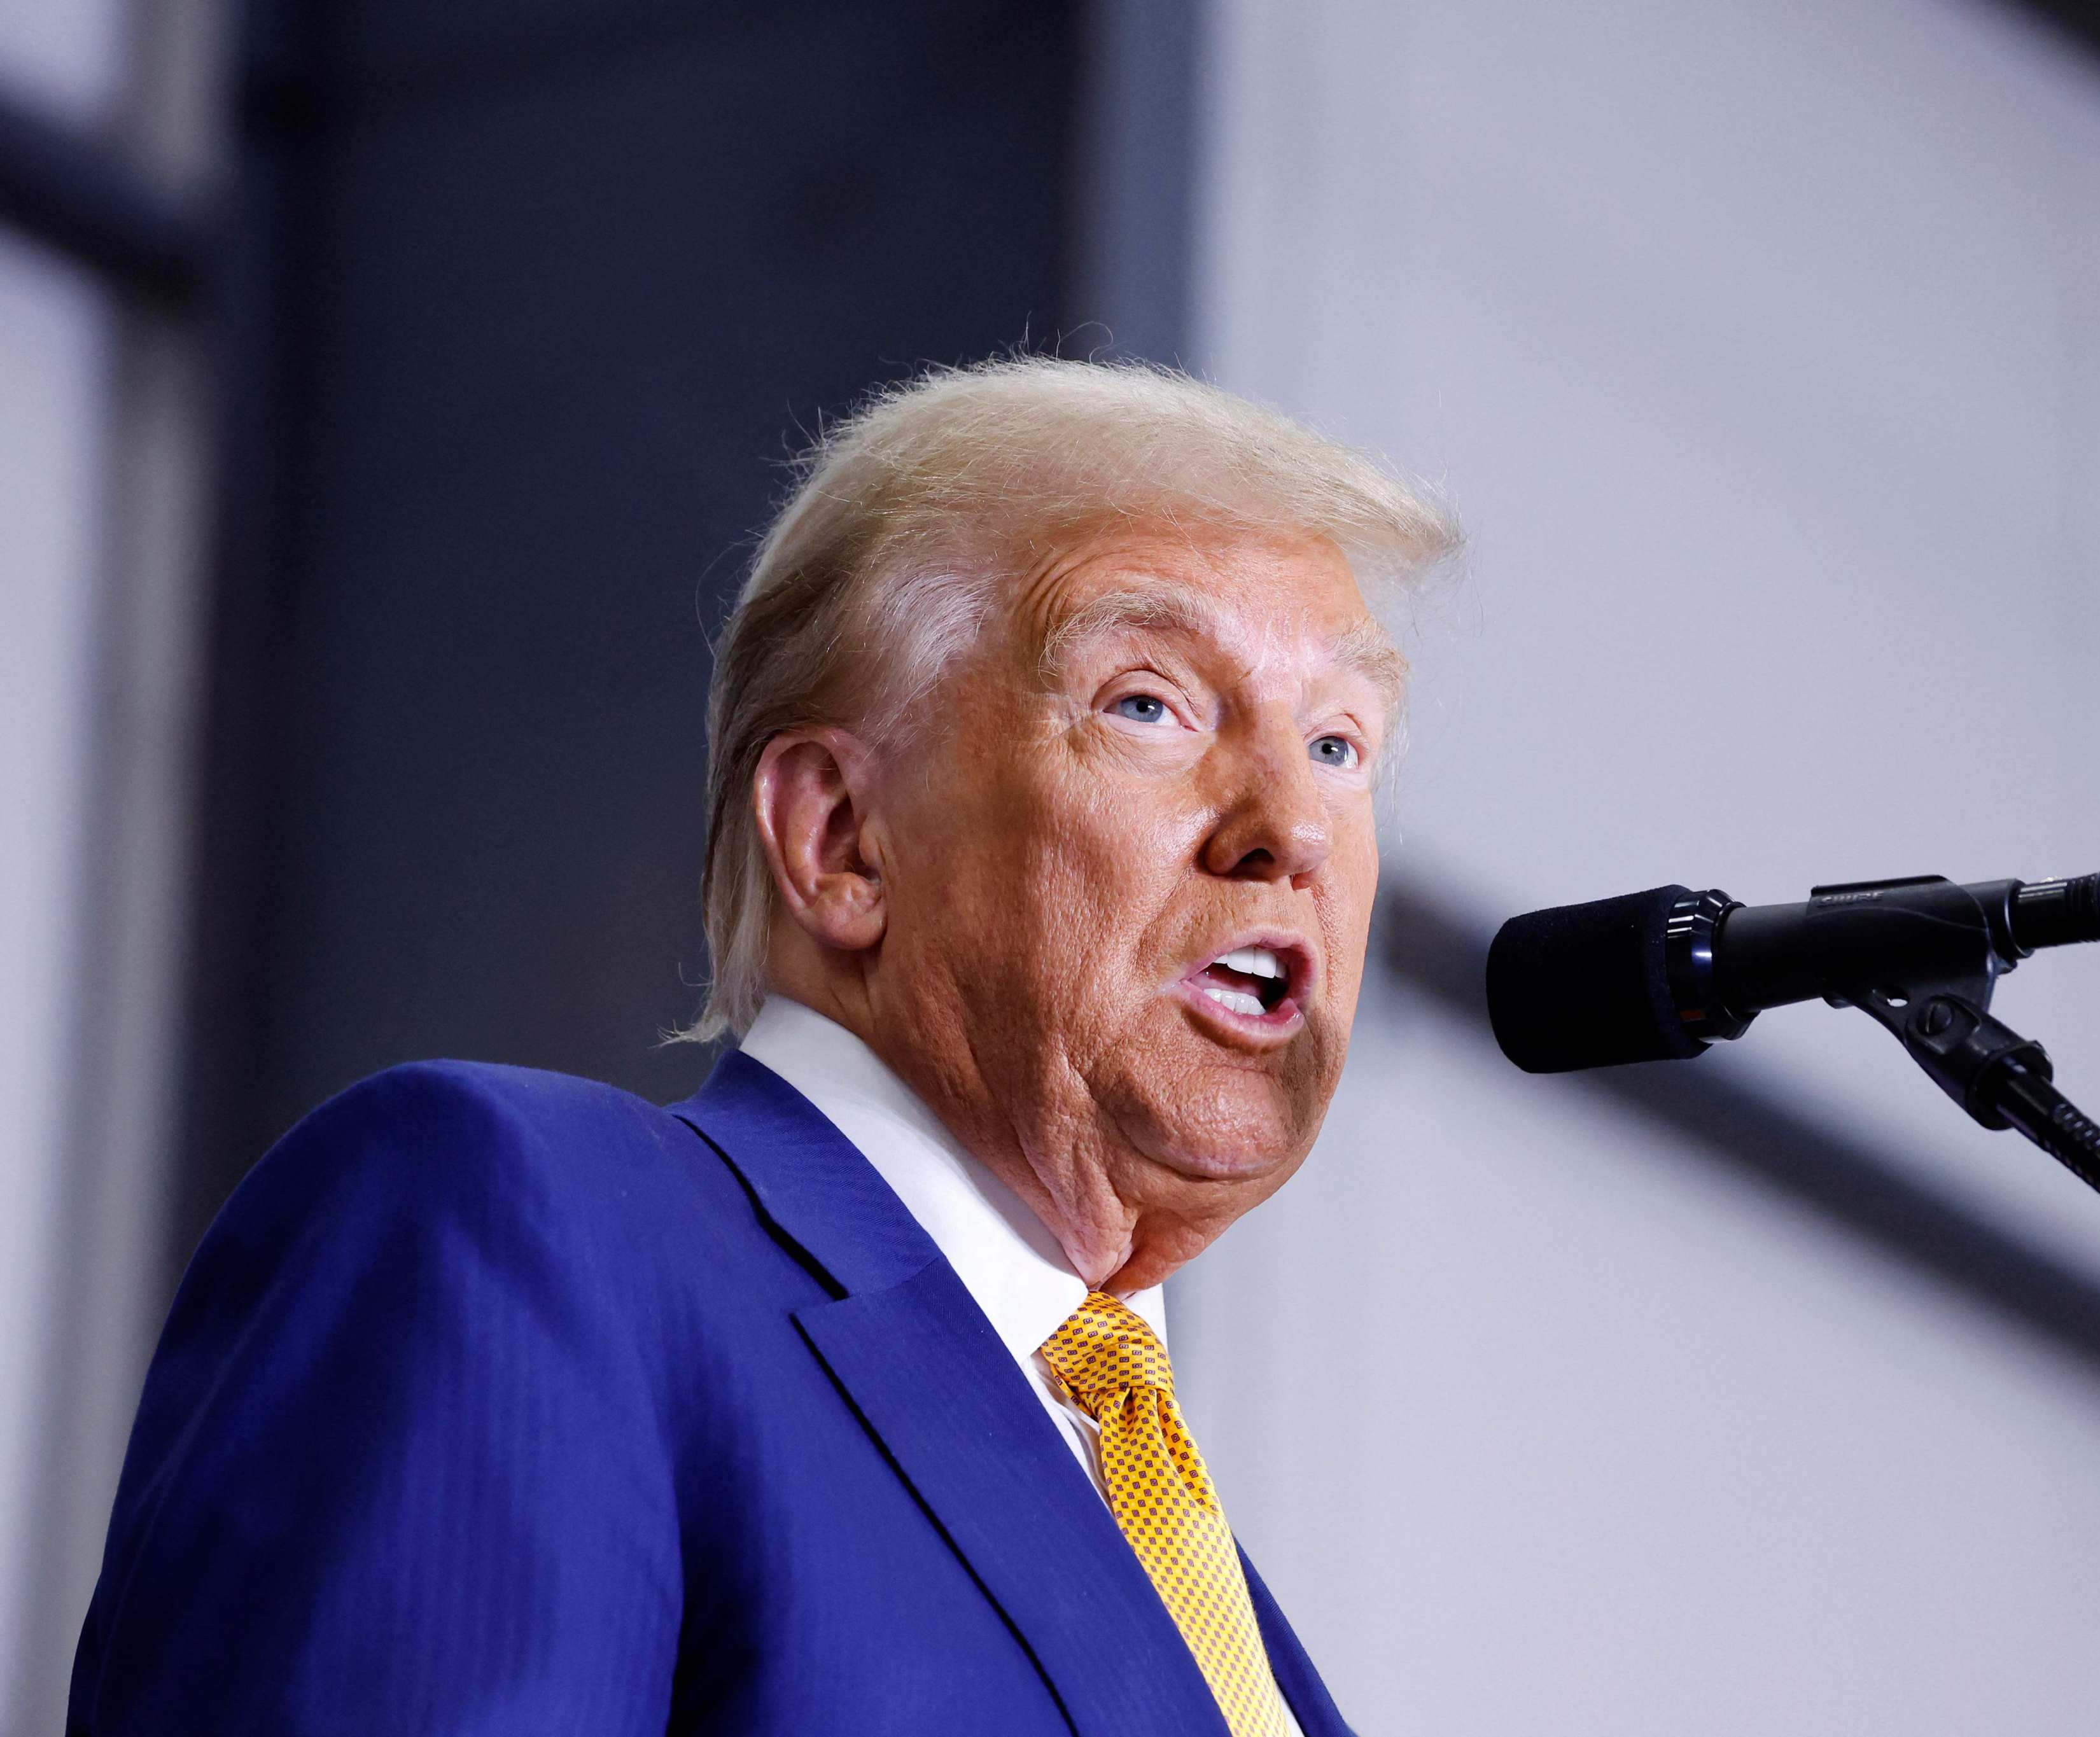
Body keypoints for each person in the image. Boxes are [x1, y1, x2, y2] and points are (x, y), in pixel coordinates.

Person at [67, 358, 1460, 1736]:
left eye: (1340, 743)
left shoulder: (1218, 1616)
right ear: (841, 839)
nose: (1293, 826)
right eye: (1147, 703)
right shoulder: (526, 1225)